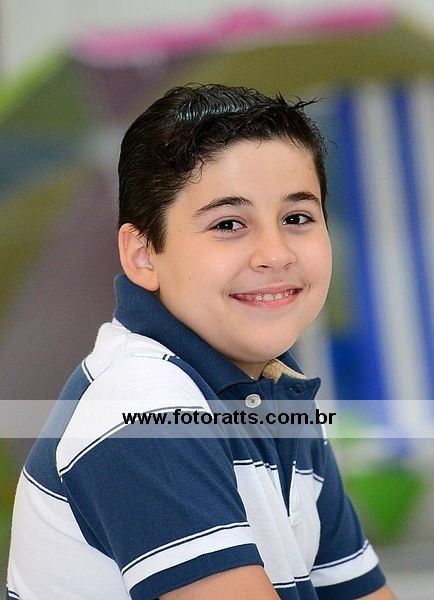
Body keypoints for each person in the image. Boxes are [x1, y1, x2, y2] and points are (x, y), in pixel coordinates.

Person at [6, 84, 395, 599]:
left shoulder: (276, 393)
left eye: (297, 218)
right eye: (229, 223)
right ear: (143, 255)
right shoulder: (143, 407)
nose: (275, 254)